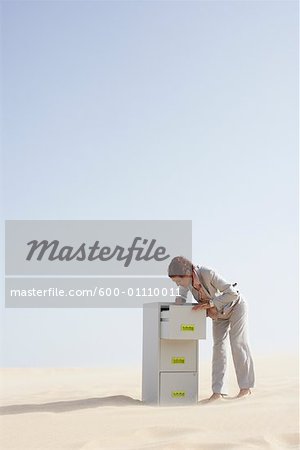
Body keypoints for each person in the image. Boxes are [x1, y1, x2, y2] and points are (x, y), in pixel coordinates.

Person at [168, 256, 255, 401]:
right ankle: (218, 392)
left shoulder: (207, 273)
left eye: (178, 280)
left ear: (187, 273)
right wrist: (176, 308)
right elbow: (181, 298)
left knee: (237, 344)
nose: (178, 284)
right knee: (218, 348)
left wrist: (210, 304)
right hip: (217, 315)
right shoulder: (185, 283)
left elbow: (233, 293)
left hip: (235, 307)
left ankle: (246, 389)